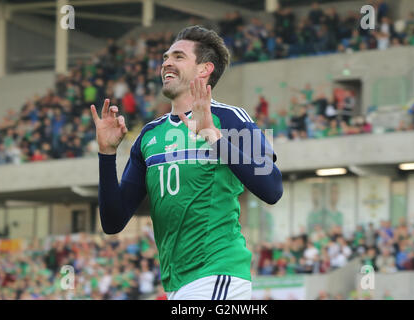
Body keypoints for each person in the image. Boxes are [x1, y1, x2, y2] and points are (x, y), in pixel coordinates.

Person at [91, 26, 283, 300]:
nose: (166, 63)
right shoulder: (149, 135)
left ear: (205, 69)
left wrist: (212, 136)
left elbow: (272, 188)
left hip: (219, 273)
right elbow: (113, 221)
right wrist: (106, 155)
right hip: (176, 284)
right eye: (166, 57)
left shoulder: (232, 119)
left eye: (178, 57)